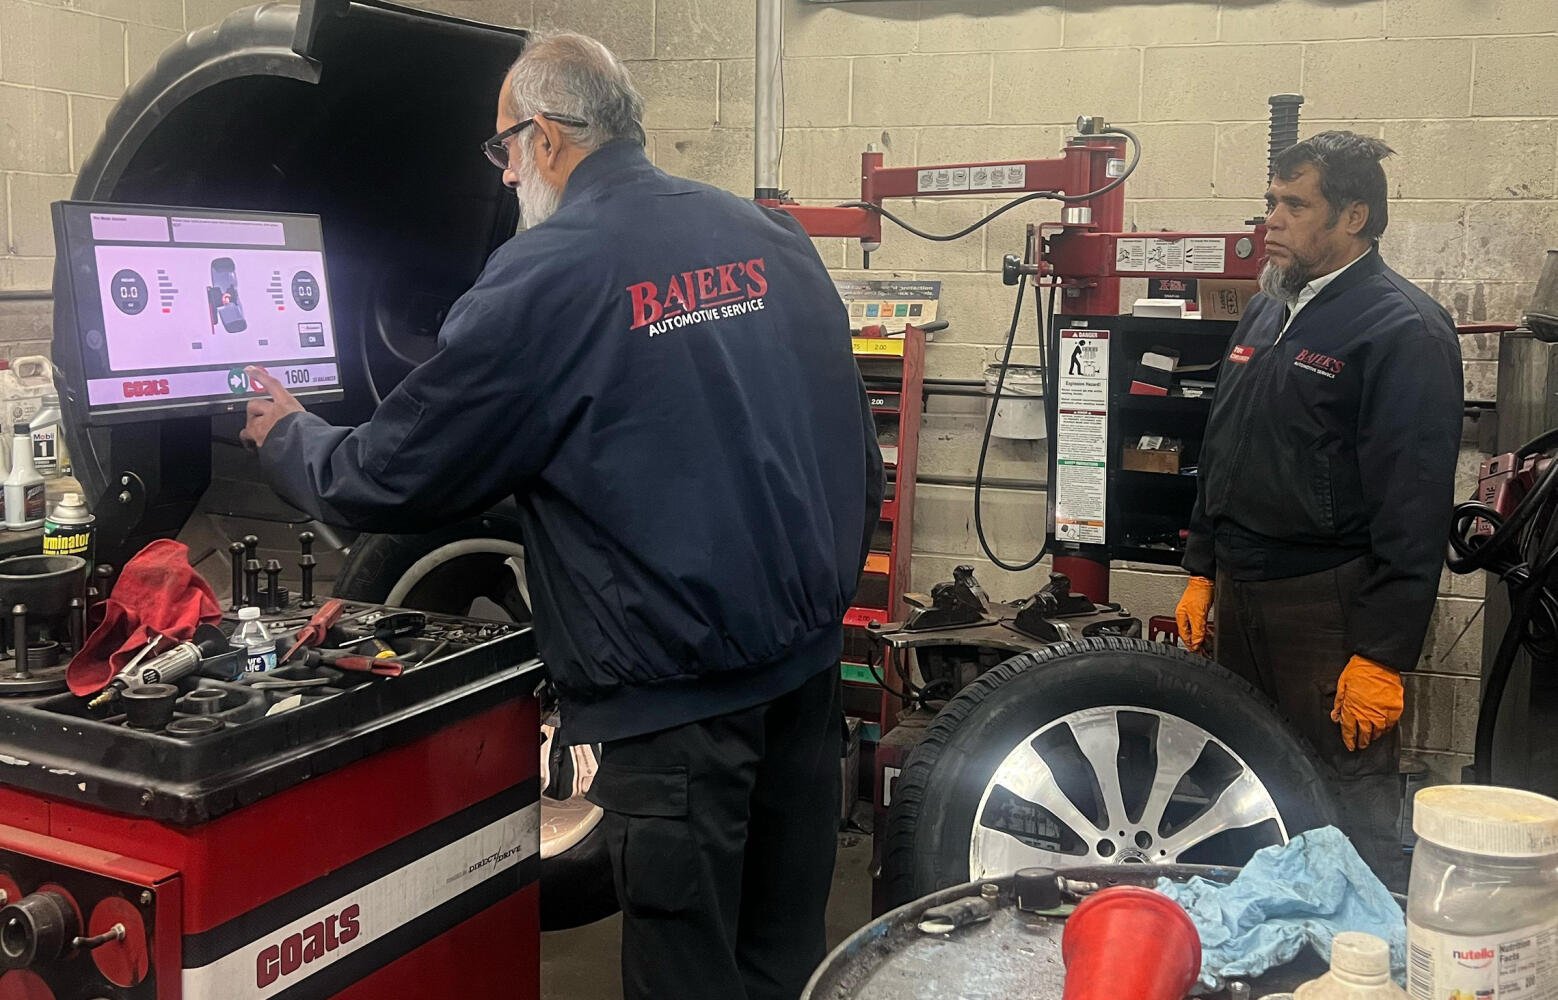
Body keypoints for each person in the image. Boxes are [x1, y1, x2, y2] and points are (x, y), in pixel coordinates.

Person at [241, 32, 882, 1000]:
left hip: (678, 709)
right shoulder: (767, 236)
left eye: (503, 148)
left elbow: (394, 474)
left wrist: (290, 436)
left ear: (544, 137)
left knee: (689, 971)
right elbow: (849, 447)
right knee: (784, 955)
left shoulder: (544, 272)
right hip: (805, 680)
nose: (504, 176)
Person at [1174, 131, 1463, 888]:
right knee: (1246, 781)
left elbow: (1414, 504)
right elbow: (1223, 444)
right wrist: (1202, 567)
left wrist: (1382, 654)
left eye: (1294, 205)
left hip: (1327, 603)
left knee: (1340, 795)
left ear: (1353, 216)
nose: (1270, 220)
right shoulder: (1267, 313)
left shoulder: (1402, 328)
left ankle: (1357, 941)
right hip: (1242, 590)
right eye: (1271, 201)